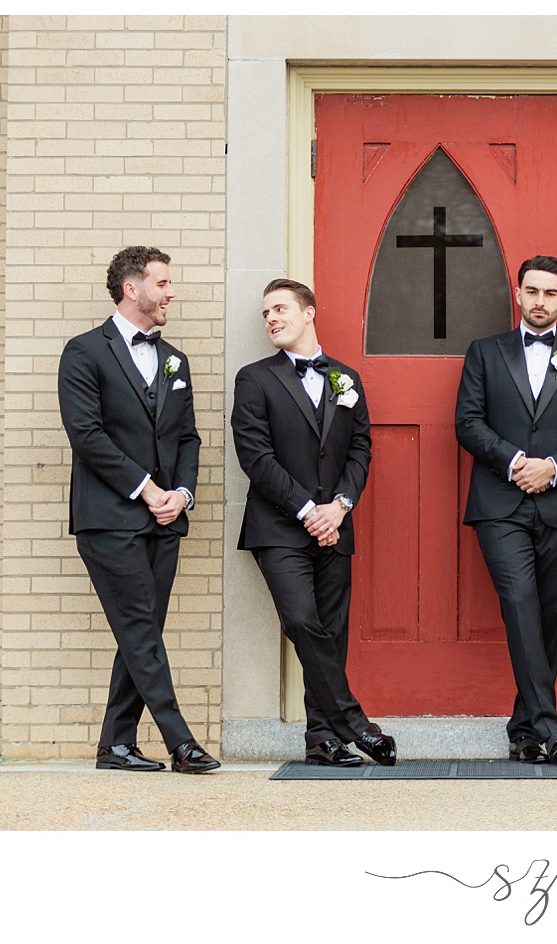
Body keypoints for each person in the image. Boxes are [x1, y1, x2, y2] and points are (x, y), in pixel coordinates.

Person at [58, 246, 219, 773]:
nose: (171, 292)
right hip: (109, 518)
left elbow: (188, 438)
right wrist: (148, 489)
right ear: (133, 288)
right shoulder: (83, 352)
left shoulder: (176, 359)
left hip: (165, 520)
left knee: (140, 628)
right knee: (141, 628)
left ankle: (116, 744)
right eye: (164, 283)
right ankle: (180, 740)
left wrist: (182, 494)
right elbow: (86, 434)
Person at [231, 279, 397, 768]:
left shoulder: (346, 378)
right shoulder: (254, 379)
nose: (271, 320)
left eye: (280, 309)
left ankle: (322, 738)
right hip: (279, 527)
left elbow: (361, 447)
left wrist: (341, 505)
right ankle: (354, 723)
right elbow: (255, 457)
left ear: (309, 313)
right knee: (302, 621)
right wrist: (308, 511)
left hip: (335, 523)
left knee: (331, 629)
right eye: (265, 313)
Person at [454, 257, 557, 764]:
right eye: (531, 291)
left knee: (548, 616)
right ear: (518, 295)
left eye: (550, 293)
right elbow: (468, 422)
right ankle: (549, 724)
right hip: (500, 503)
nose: (540, 300)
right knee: (519, 601)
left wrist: (554, 467)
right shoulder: (485, 352)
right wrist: (518, 462)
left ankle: (525, 731)